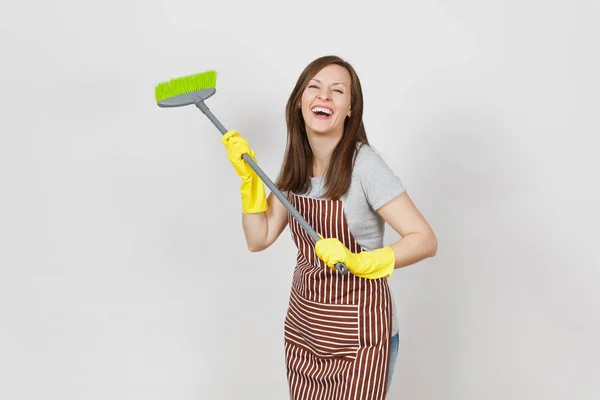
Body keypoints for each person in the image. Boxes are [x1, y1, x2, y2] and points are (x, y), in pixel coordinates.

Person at [221, 55, 438, 399]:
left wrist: (361, 262)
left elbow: (425, 239)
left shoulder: (363, 165)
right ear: (299, 103)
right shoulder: (297, 162)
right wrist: (250, 182)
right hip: (306, 333)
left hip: (360, 340)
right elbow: (258, 238)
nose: (324, 96)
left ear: (350, 109)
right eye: (314, 87)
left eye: (337, 91)